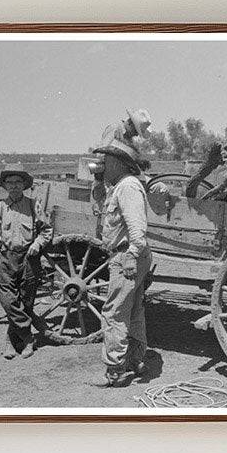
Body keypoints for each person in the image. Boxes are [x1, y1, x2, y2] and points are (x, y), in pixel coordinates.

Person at [92, 115, 152, 386]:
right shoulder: (121, 186)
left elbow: (137, 230)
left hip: (128, 256)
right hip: (134, 255)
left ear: (118, 162)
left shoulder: (127, 187)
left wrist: (130, 255)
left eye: (107, 162)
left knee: (115, 312)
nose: (103, 166)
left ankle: (114, 370)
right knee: (135, 310)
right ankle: (137, 360)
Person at [0, 164, 52, 359]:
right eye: (10, 182)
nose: (14, 186)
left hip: (28, 258)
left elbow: (46, 230)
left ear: (24, 185)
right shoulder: (0, 207)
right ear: (5, 185)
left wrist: (37, 244)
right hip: (6, 258)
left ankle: (11, 343)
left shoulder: (33, 205)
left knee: (26, 301)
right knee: (8, 301)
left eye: (18, 182)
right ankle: (28, 338)